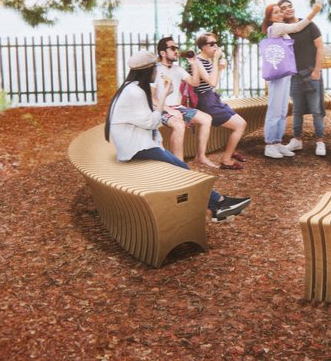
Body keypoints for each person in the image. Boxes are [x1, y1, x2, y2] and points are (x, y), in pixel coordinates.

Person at [105, 50, 250, 221]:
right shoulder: (135, 92)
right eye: (154, 68)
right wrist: (164, 96)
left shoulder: (131, 88)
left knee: (180, 167)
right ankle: (219, 203)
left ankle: (218, 203)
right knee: (181, 170)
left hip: (136, 144)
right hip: (135, 148)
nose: (157, 72)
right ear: (147, 70)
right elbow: (151, 122)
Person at [261, 0, 323, 159]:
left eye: (279, 11)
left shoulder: (279, 28)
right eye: (276, 12)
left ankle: (277, 142)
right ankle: (269, 144)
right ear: (270, 18)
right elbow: (297, 27)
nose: (280, 14)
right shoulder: (276, 27)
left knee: (281, 110)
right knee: (275, 110)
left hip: (285, 75)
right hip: (278, 76)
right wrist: (314, 11)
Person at [154, 36, 216, 167]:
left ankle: (201, 156)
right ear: (162, 53)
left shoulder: (178, 69)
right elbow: (151, 97)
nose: (176, 51)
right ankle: (179, 165)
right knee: (179, 125)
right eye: (172, 48)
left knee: (206, 119)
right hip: (159, 108)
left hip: (177, 107)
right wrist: (169, 109)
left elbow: (195, 82)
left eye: (177, 48)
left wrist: (193, 64)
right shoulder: (155, 70)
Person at [278, 0, 328, 156]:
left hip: (311, 72)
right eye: (283, 8)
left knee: (316, 109)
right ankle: (297, 140)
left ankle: (320, 141)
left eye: (289, 6)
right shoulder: (283, 31)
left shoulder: (309, 25)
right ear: (281, 13)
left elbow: (320, 48)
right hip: (294, 75)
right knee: (297, 110)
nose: (288, 9)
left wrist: (317, 71)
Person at [191, 32, 248, 170]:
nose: (215, 47)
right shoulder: (197, 61)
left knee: (242, 123)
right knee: (240, 125)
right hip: (205, 102)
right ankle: (226, 159)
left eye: (216, 43)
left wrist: (220, 69)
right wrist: (216, 61)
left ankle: (230, 151)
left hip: (212, 97)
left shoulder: (207, 60)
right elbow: (212, 82)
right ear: (202, 47)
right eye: (211, 44)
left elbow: (211, 84)